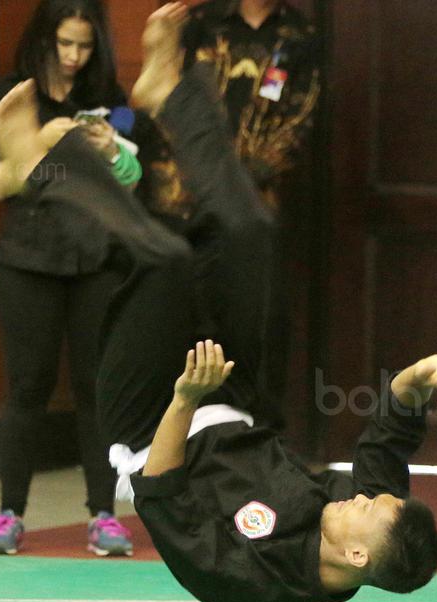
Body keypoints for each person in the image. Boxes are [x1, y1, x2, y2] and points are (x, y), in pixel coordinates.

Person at [0, 2, 437, 602]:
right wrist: (412, 388)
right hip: (234, 394)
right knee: (250, 233)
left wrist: (185, 399)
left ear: (355, 555)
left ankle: (42, 167)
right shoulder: (371, 525)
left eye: (366, 508)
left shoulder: (247, 584)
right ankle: (171, 93)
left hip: (150, 421)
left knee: (163, 259)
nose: (363, 497)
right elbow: (385, 449)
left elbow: (159, 496)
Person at [0, 0, 141, 557]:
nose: (74, 56)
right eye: (65, 43)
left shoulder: (110, 98)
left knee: (96, 388)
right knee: (28, 386)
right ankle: (9, 514)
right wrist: (40, 139)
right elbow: (0, 183)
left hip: (96, 259)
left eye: (85, 45)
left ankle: (104, 516)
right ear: (44, 39)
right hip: (27, 259)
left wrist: (111, 150)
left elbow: (131, 177)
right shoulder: (12, 94)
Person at [137, 0, 322, 430]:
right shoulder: (201, 22)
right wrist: (204, 173)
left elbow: (301, 119)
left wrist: (232, 179)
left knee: (254, 318)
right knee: (187, 320)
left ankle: (254, 434)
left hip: (256, 194)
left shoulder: (301, 35)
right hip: (182, 200)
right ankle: (180, 433)